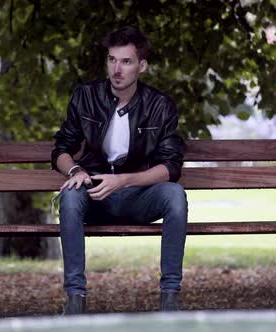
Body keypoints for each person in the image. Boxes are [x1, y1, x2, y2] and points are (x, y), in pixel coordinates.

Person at [51, 26, 187, 315]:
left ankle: (170, 300)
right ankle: (75, 300)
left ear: (142, 65)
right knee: (71, 196)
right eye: (112, 60)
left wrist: (124, 181)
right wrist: (75, 170)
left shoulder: (160, 106)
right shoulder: (85, 96)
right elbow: (61, 149)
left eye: (126, 61)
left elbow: (171, 166)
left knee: (175, 195)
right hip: (96, 194)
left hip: (140, 196)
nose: (117, 69)